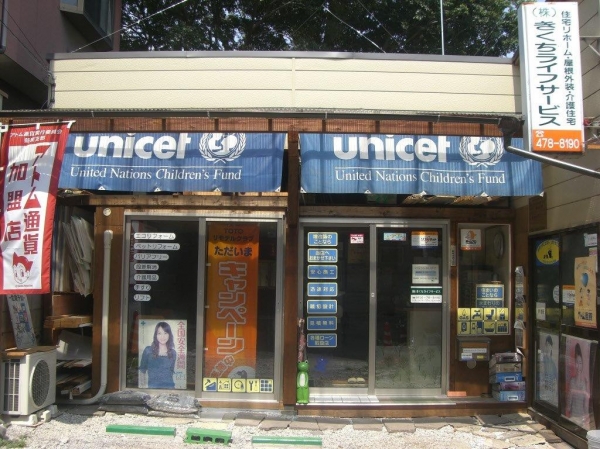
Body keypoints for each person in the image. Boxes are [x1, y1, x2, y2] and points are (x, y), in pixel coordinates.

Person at [139, 321, 177, 389]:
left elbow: (171, 372)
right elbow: (142, 370)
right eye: (159, 333)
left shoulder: (173, 353)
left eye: (165, 333)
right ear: (156, 335)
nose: (162, 336)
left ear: (169, 335)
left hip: (170, 389)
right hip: (153, 389)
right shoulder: (148, 350)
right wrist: (143, 388)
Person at [566, 342, 590, 428]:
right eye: (577, 362)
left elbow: (586, 405)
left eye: (580, 363)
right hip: (573, 418)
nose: (578, 365)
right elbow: (569, 404)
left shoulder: (585, 382)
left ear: (582, 364)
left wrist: (586, 418)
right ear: (575, 364)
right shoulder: (572, 381)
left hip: (582, 419)